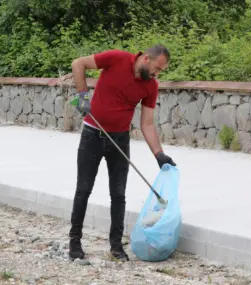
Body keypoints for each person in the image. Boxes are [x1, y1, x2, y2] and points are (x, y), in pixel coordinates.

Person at [68, 45, 176, 261]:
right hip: (92, 134)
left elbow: (147, 124)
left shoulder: (150, 86)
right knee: (84, 189)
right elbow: (78, 63)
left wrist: (159, 155)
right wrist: (82, 95)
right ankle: (74, 243)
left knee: (118, 194)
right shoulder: (116, 58)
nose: (157, 74)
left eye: (161, 71)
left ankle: (116, 246)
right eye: (157, 68)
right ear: (146, 59)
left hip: (119, 139)